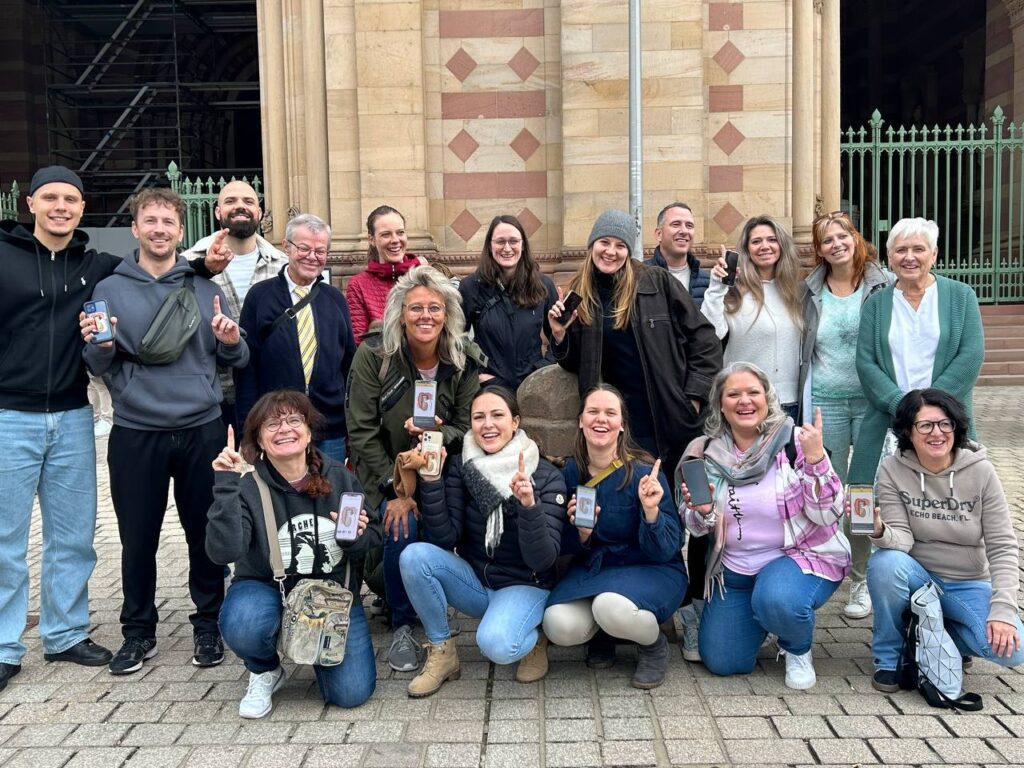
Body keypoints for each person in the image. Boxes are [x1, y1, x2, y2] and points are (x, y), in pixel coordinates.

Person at [0, 166, 226, 692]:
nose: (61, 207)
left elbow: (173, 271)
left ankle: (65, 633)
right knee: (11, 537)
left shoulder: (94, 267)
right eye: (51, 198)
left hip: (79, 415)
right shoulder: (21, 261)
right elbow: (103, 351)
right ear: (30, 203)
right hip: (15, 413)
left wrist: (208, 265)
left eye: (71, 199)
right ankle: (10, 646)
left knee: (76, 536)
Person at [81, 187, 248, 676]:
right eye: (149, 221)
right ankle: (138, 631)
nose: (158, 229)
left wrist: (233, 341)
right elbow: (94, 362)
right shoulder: (110, 289)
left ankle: (208, 624)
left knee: (204, 533)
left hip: (201, 426)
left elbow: (237, 357)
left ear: (181, 231)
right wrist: (104, 350)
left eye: (167, 222)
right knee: (138, 537)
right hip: (136, 430)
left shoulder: (204, 286)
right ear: (135, 228)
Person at [548, 209, 720, 663]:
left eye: (620, 244)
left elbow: (704, 341)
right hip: (611, 425)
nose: (611, 251)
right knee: (613, 513)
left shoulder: (657, 284)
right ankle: (613, 612)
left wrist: (695, 398)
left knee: (685, 513)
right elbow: (573, 363)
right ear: (591, 247)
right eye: (603, 242)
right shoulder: (580, 296)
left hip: (664, 421)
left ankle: (689, 606)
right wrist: (559, 334)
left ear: (631, 250)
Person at [206, 390, 380, 717]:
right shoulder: (246, 487)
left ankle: (316, 652)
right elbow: (222, 552)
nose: (284, 429)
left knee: (351, 693)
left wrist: (355, 539)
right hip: (268, 589)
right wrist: (225, 485)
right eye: (272, 424)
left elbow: (374, 538)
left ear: (309, 432)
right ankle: (264, 669)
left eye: (294, 420)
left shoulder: (340, 477)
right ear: (258, 440)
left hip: (331, 596)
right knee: (244, 620)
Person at [678, 362, 850, 690]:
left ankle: (796, 646)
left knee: (777, 599)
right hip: (736, 572)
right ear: (720, 405)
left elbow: (828, 514)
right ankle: (766, 618)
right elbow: (698, 528)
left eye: (753, 392)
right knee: (723, 662)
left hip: (798, 560)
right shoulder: (705, 454)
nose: (745, 400)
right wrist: (703, 511)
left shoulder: (796, 443)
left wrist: (816, 462)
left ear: (767, 399)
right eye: (734, 394)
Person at [347, 265, 481, 672]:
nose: (426, 316)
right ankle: (403, 623)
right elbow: (361, 429)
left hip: (441, 471)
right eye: (416, 308)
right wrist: (395, 490)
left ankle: (445, 600)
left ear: (448, 313)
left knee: (442, 531)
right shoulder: (375, 355)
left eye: (435, 308)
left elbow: (467, 424)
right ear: (401, 313)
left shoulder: (462, 359)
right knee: (399, 523)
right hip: (386, 470)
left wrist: (442, 434)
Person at [399, 387, 566, 696]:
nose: (487, 424)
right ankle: (442, 651)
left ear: (515, 422)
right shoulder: (464, 466)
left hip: (526, 583)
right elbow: (444, 538)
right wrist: (432, 482)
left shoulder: (544, 475)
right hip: (478, 580)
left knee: (498, 645)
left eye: (497, 415)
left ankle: (536, 636)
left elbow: (544, 560)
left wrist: (529, 506)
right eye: (479, 417)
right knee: (414, 557)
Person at [866, 388, 1023, 690]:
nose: (936, 433)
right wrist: (880, 531)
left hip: (967, 582)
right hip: (918, 577)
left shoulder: (981, 471)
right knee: (885, 563)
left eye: (944, 424)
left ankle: (937, 635)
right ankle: (889, 657)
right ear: (908, 432)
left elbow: (1003, 546)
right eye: (925, 425)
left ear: (956, 427)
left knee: (1013, 650)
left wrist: (1003, 610)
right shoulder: (893, 469)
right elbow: (902, 543)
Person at [542, 385, 684, 690]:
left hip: (651, 569)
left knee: (609, 607)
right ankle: (604, 634)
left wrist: (651, 513)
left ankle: (653, 645)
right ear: (580, 420)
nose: (600, 419)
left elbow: (668, 548)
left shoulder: (646, 473)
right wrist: (581, 534)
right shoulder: (570, 471)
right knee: (557, 624)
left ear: (622, 424)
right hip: (596, 569)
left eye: (610, 413)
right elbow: (560, 543)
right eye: (593, 412)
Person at [799, 211, 892, 621]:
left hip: (872, 402)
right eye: (826, 239)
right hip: (826, 400)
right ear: (818, 249)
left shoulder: (882, 284)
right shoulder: (808, 291)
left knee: (861, 491)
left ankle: (860, 579)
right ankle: (823, 571)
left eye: (843, 236)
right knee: (826, 490)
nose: (836, 244)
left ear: (855, 238)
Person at [848, 217, 984, 490]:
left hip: (946, 420)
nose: (909, 257)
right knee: (874, 503)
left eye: (918, 249)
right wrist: (902, 405)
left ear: (933, 254)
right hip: (889, 418)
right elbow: (866, 362)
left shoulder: (961, 296)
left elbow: (971, 355)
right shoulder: (876, 304)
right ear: (889, 256)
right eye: (900, 250)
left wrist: (930, 407)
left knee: (951, 499)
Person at [236, 213, 356, 463]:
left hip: (329, 425)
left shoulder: (335, 300)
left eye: (320, 251)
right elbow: (247, 366)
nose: (312, 257)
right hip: (277, 425)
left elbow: (349, 366)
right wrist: (247, 431)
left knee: (328, 495)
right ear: (286, 247)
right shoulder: (260, 297)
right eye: (304, 248)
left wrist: (352, 427)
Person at [182, 180, 287, 430]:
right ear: (218, 212)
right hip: (209, 395)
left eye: (248, 201)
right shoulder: (188, 263)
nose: (240, 206)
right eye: (230, 201)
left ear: (259, 212)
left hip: (267, 393)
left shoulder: (282, 265)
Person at [701, 215, 804, 418]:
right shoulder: (734, 293)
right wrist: (717, 287)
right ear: (747, 250)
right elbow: (710, 334)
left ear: (782, 245)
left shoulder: (795, 293)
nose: (764, 246)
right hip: (745, 403)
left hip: (789, 402)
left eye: (771, 240)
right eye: (756, 241)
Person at [459, 215, 558, 390]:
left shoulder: (544, 286)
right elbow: (455, 339)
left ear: (523, 245)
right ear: (490, 245)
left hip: (533, 389)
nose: (507, 248)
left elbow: (559, 338)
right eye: (500, 242)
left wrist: (542, 369)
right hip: (489, 389)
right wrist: (475, 374)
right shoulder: (470, 287)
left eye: (513, 241)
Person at [346, 205, 427, 343]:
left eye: (400, 232)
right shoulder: (358, 285)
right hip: (380, 362)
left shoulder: (424, 275)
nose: (395, 240)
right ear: (371, 239)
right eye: (386, 234)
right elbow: (359, 342)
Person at [645, 202, 710, 306]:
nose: (684, 231)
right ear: (659, 234)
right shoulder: (639, 277)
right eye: (676, 224)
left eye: (689, 226)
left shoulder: (708, 282)